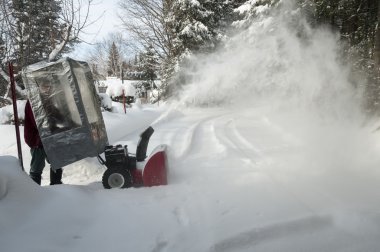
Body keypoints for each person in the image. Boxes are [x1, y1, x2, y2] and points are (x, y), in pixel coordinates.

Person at [24, 100, 63, 185]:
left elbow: (59, 116)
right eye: (45, 86)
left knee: (56, 162)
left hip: (50, 138)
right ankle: (35, 191)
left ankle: (57, 188)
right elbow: (38, 122)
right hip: (37, 140)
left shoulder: (49, 99)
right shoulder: (32, 101)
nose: (47, 87)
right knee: (37, 167)